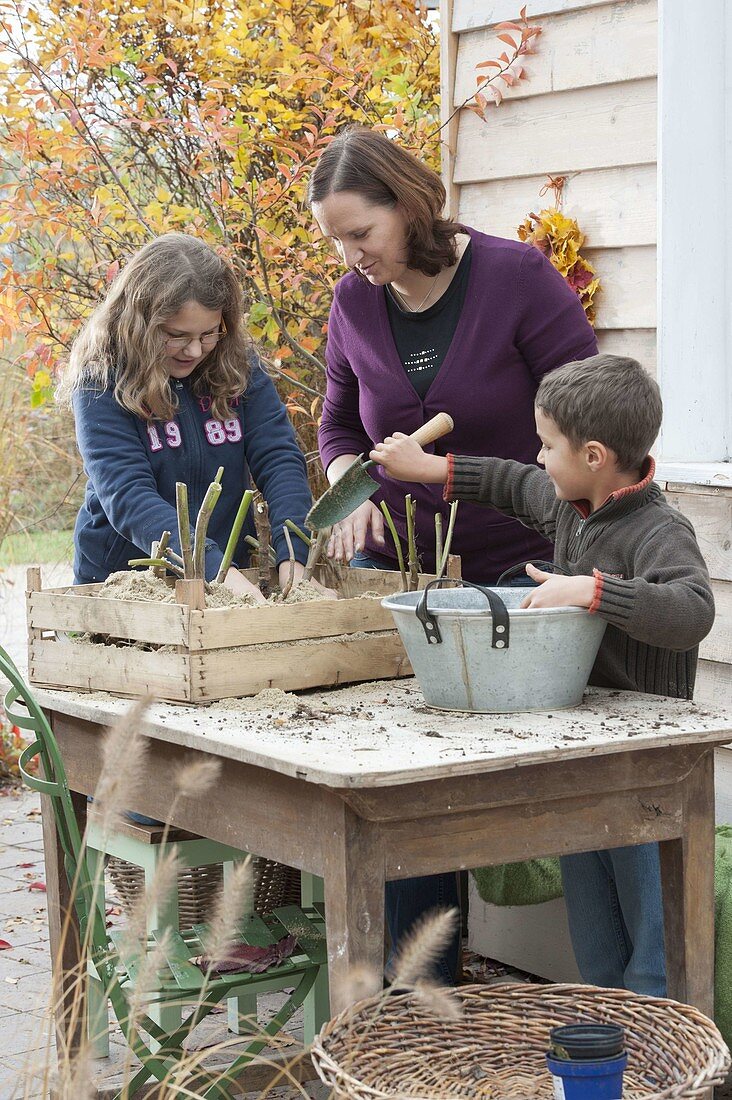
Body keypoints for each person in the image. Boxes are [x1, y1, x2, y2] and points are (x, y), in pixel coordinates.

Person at [307, 124, 598, 982]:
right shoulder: (353, 305)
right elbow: (333, 423)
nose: (352, 254)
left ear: (409, 204)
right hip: (407, 578)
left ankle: (600, 985)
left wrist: (441, 469)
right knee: (403, 788)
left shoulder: (515, 279)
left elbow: (588, 424)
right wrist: (343, 478)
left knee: (515, 783)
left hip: (523, 570)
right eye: (336, 240)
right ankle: (418, 1002)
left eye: (362, 232)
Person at [372, 353, 715, 995]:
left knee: (649, 937)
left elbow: (692, 610)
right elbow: (511, 484)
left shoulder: (659, 530)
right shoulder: (570, 503)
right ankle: (605, 1046)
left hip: (645, 765)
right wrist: (431, 468)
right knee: (594, 927)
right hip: (580, 750)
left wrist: (593, 591)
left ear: (592, 455)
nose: (537, 457)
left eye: (546, 444)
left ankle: (659, 1057)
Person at [58, 232, 328, 603]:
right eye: (176, 335)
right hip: (124, 583)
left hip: (227, 575)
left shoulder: (239, 367)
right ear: (140, 325)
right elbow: (129, 496)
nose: (195, 349)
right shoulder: (100, 381)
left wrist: (293, 557)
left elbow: (279, 459)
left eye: (209, 333)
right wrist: (216, 570)